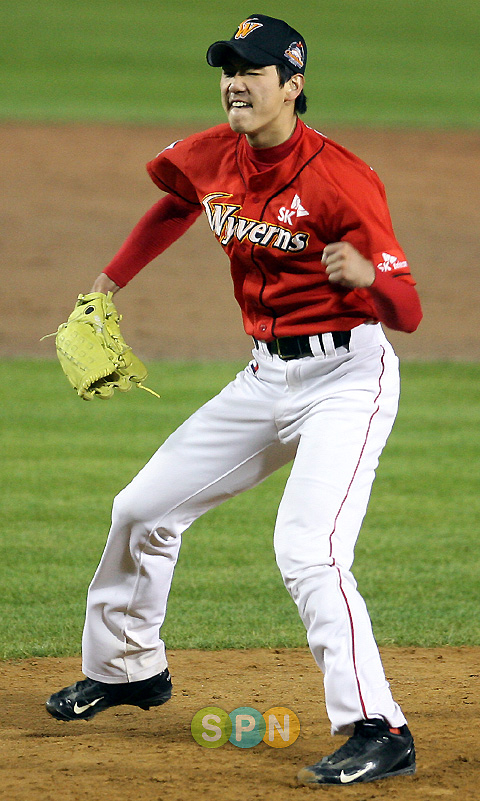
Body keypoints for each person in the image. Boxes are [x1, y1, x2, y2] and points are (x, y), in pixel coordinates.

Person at [46, 14, 422, 786]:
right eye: (228, 68)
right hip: (262, 379)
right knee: (141, 508)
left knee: (308, 549)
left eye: (252, 70)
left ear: (294, 84)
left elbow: (409, 308)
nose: (234, 83)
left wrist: (370, 281)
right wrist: (111, 278)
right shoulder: (214, 153)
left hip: (346, 381)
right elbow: (179, 202)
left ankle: (379, 727)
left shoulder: (342, 177)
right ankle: (126, 669)